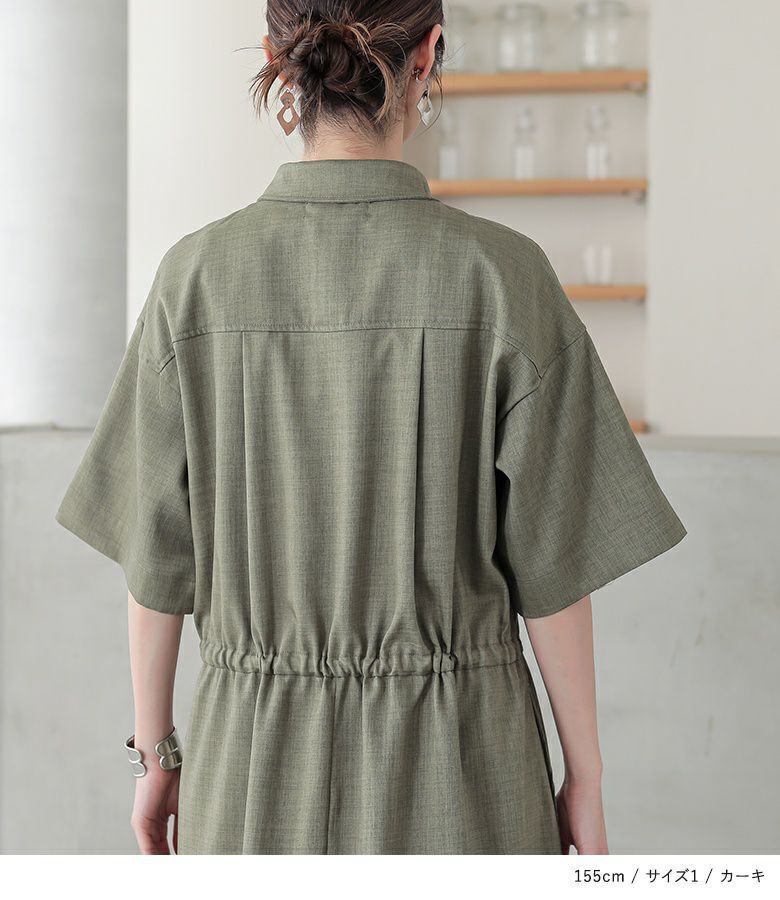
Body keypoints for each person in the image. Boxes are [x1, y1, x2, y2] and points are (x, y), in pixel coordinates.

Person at [55, 0, 687, 855]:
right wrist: (586, 777)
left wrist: (156, 752)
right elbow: (555, 574)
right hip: (467, 771)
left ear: (279, 55)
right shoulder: (504, 277)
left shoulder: (192, 281)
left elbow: (155, 562)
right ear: (429, 54)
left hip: (250, 771)